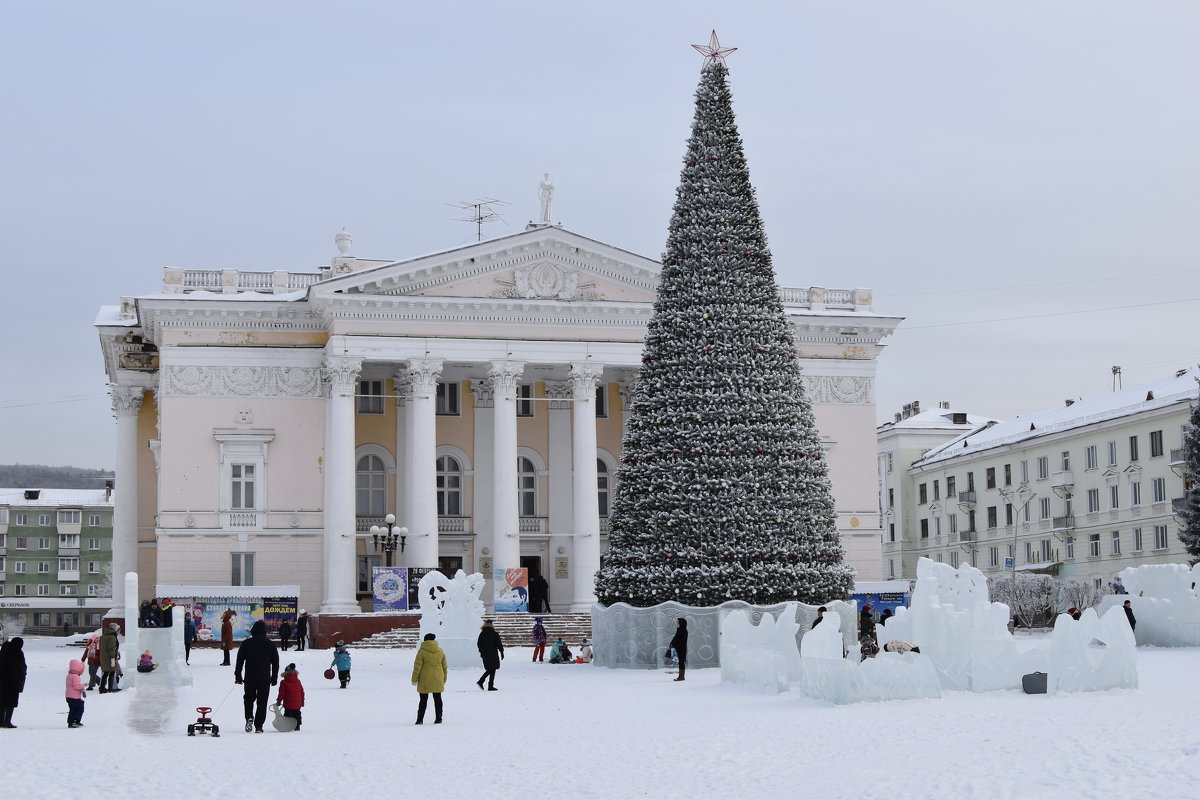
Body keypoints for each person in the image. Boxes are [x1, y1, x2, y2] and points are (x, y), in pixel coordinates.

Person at [235, 620, 280, 733]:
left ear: (253, 630)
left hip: (249, 677)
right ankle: (259, 726)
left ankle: (249, 717)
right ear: (265, 631)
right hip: (265, 678)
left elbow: (239, 660)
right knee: (262, 702)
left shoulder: (246, 643)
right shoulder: (270, 644)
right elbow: (275, 662)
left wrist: (238, 676)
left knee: (248, 699)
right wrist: (274, 677)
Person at [412, 633, 447, 725]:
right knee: (438, 698)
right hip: (438, 677)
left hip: (425, 678)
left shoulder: (422, 651)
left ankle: (420, 719)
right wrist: (444, 678)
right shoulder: (440, 651)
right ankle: (439, 718)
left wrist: (414, 679)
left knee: (423, 699)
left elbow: (417, 667)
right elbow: (445, 666)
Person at [0, 637, 28, 728]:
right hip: (13, 681)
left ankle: (0, 722)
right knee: (10, 702)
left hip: (1, 680)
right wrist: (22, 679)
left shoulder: (2, 651)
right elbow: (22, 668)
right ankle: (7, 722)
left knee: (1, 702)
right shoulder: (18, 653)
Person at [476, 619, 504, 691]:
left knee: (491, 669)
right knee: (492, 669)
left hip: (485, 654)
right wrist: (501, 652)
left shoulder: (482, 634)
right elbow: (498, 644)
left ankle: (487, 684)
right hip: (493, 654)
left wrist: (481, 652)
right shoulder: (494, 633)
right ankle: (483, 682)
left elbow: (479, 644)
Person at [276, 662, 305, 731]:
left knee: (288, 715)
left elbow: (281, 693)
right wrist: (302, 700)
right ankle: (297, 726)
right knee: (297, 714)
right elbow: (302, 691)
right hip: (298, 703)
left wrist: (279, 701)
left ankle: (288, 726)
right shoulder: (298, 681)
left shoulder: (283, 682)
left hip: (288, 704)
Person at [99, 622, 121, 693]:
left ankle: (102, 688)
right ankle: (110, 688)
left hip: (104, 657)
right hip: (110, 658)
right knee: (111, 672)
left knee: (105, 673)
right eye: (117, 629)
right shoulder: (112, 637)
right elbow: (111, 648)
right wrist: (113, 657)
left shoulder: (104, 635)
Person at [65, 658, 87, 728]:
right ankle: (76, 721)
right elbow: (76, 686)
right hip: (74, 697)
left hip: (68, 696)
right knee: (79, 708)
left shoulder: (69, 675)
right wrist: (84, 685)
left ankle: (70, 722)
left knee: (72, 709)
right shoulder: (76, 677)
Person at [668, 618, 688, 682]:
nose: (677, 624)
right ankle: (680, 676)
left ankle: (681, 677)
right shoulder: (679, 630)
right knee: (680, 662)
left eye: (678, 623)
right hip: (678, 649)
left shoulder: (683, 631)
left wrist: (675, 645)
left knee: (681, 662)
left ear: (681, 624)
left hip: (681, 649)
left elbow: (681, 641)